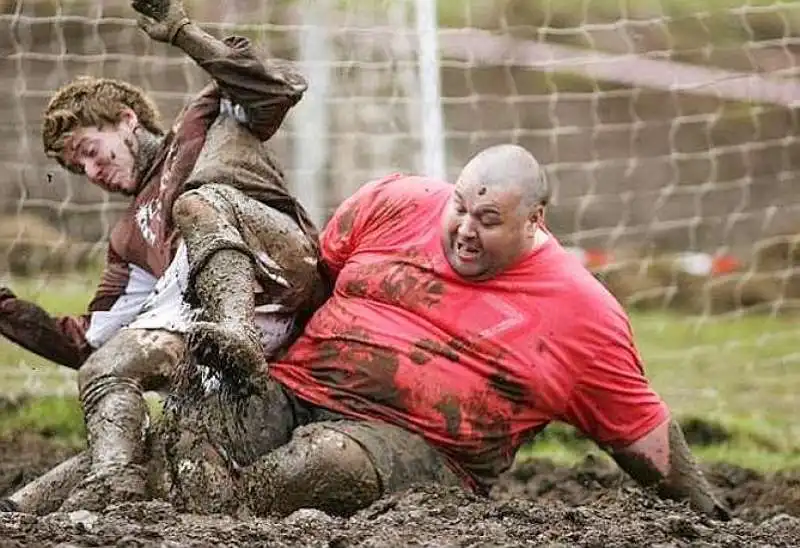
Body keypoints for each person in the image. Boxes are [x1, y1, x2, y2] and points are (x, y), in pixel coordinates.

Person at [1, 144, 730, 519]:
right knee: (198, 426)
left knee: (321, 466)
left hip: (420, 448)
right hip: (292, 387)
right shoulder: (395, 201)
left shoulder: (585, 315)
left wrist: (713, 518)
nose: (464, 231)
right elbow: (311, 280)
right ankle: (49, 508)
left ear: (537, 223)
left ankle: (146, 509)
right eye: (460, 210)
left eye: (489, 221)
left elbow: (644, 437)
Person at [0, 0, 327, 512]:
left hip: (277, 262)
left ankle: (235, 329)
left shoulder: (203, 122)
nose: (90, 171)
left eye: (89, 149)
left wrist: (182, 32)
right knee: (110, 380)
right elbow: (90, 339)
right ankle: (51, 501)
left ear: (126, 119)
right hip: (215, 351)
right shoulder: (129, 236)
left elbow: (276, 88)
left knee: (197, 203)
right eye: (75, 168)